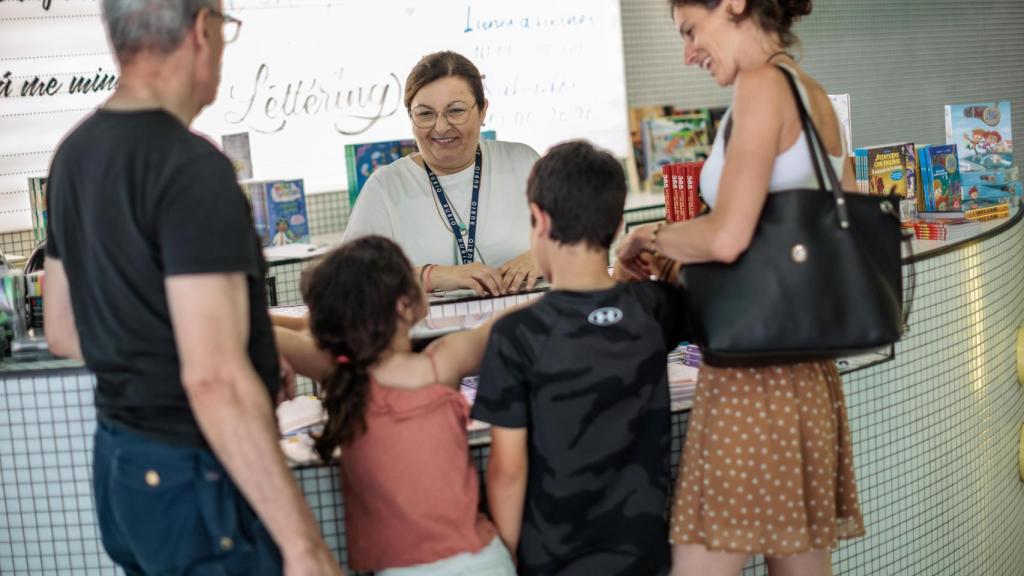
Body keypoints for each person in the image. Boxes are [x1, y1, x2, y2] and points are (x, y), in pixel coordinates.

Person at [43, 1, 342, 574]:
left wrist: (253, 341)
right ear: (201, 30)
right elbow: (214, 381)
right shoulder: (191, 169)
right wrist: (304, 546)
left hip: (123, 469)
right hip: (196, 471)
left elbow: (65, 330)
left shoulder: (73, 155)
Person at [616, 1, 865, 575]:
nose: (688, 53)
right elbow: (831, 233)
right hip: (807, 375)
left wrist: (651, 237)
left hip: (752, 379)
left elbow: (729, 236)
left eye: (691, 31)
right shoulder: (814, 96)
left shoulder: (762, 86)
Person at [471, 141, 690, 575]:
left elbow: (507, 472)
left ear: (540, 220)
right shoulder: (654, 308)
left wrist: (510, 555)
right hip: (643, 554)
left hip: (554, 558)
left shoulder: (517, 335)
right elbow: (703, 291)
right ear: (617, 224)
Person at [273, 236, 516, 576]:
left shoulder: (342, 374)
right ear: (405, 305)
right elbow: (511, 324)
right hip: (483, 562)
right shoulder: (440, 366)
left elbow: (262, 328)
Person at [343, 50, 543, 296]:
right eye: (425, 114)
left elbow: (582, 239)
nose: (441, 127)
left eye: (456, 111)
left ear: (482, 111)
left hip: (528, 327)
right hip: (428, 333)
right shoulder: (385, 187)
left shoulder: (523, 163)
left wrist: (543, 256)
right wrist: (434, 275)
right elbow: (350, 279)